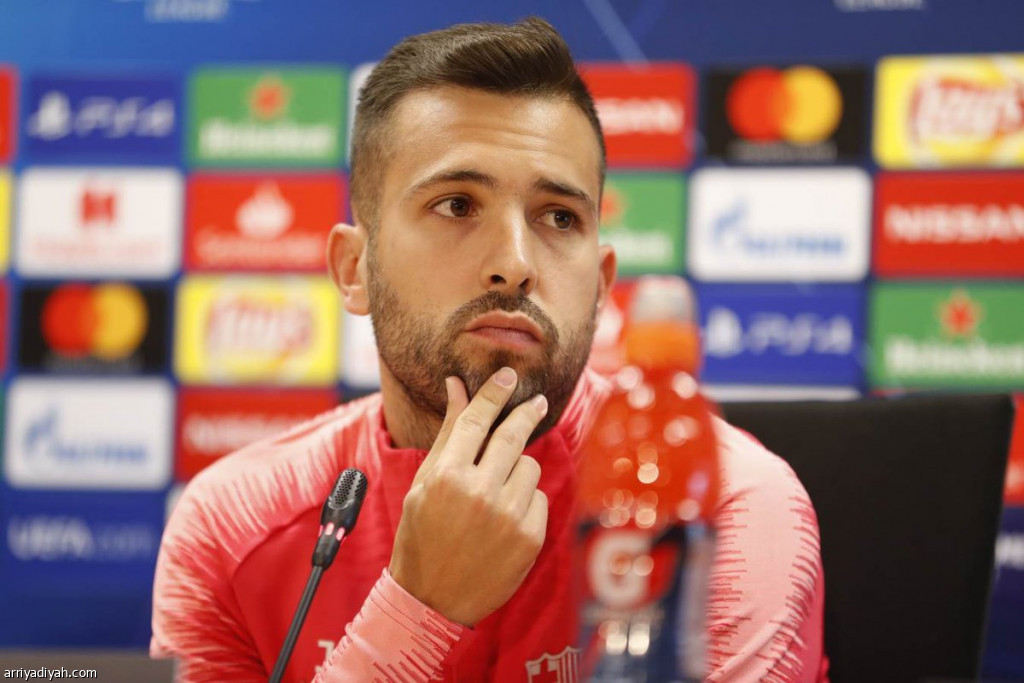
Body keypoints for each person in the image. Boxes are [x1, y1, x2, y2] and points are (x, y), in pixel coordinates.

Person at [151, 18, 828, 682]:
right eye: (457, 205)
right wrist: (419, 606)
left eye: (559, 217)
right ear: (355, 269)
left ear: (600, 288)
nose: (514, 263)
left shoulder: (725, 508)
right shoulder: (232, 524)